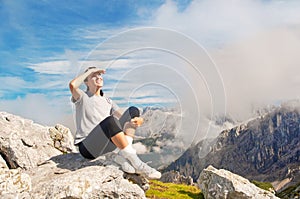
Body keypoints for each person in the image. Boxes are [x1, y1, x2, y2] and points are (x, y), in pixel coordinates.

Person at [69, 66, 161, 179]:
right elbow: (72, 85)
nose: (98, 77)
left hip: (105, 145)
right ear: (87, 82)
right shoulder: (82, 97)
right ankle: (136, 162)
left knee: (133, 110)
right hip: (88, 148)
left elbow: (125, 117)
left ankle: (122, 156)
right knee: (110, 121)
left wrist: (138, 119)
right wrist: (89, 71)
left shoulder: (108, 101)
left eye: (100, 75)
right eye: (94, 75)